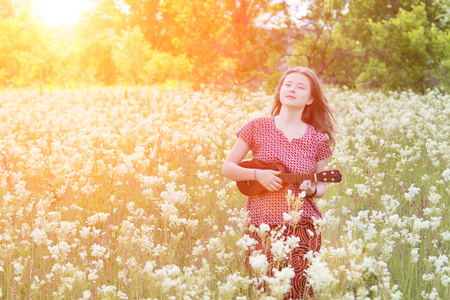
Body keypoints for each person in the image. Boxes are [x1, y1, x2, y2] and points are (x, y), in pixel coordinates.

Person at [221, 66, 337, 299]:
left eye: (300, 86)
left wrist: (312, 189)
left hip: (302, 227)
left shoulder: (318, 138)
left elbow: (322, 187)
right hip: (261, 226)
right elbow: (228, 168)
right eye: (288, 84)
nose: (292, 89)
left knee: (300, 293)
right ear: (280, 91)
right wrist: (257, 175)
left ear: (310, 98)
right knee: (263, 292)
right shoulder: (256, 127)